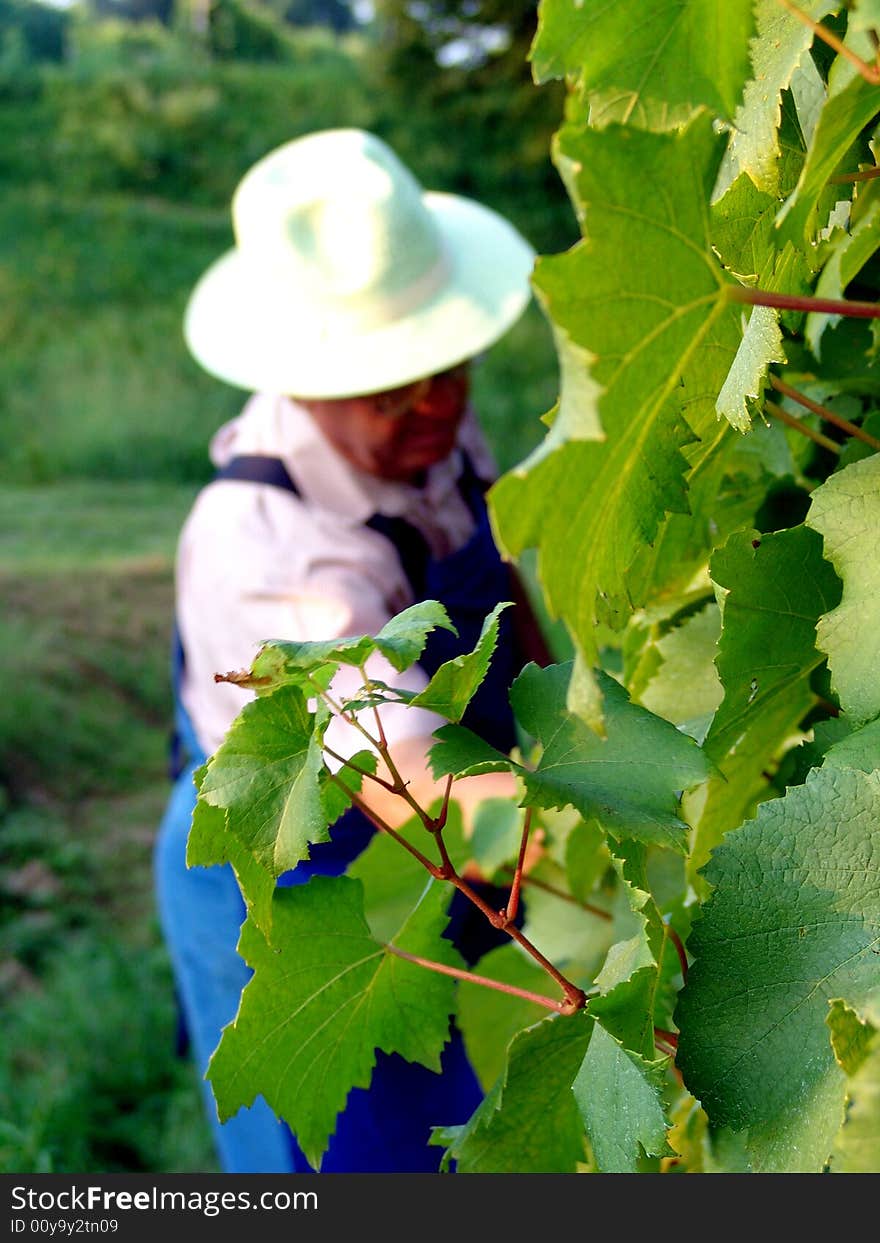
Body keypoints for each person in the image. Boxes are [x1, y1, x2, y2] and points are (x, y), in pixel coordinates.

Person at [154, 128, 550, 1174]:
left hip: (460, 831)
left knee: (478, 1125)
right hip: (302, 869)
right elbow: (394, 750)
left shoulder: (432, 428)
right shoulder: (263, 540)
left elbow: (496, 572)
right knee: (344, 1154)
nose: (430, 407)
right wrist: (557, 836)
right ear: (307, 378)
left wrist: (568, 722)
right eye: (389, 391)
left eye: (442, 372)